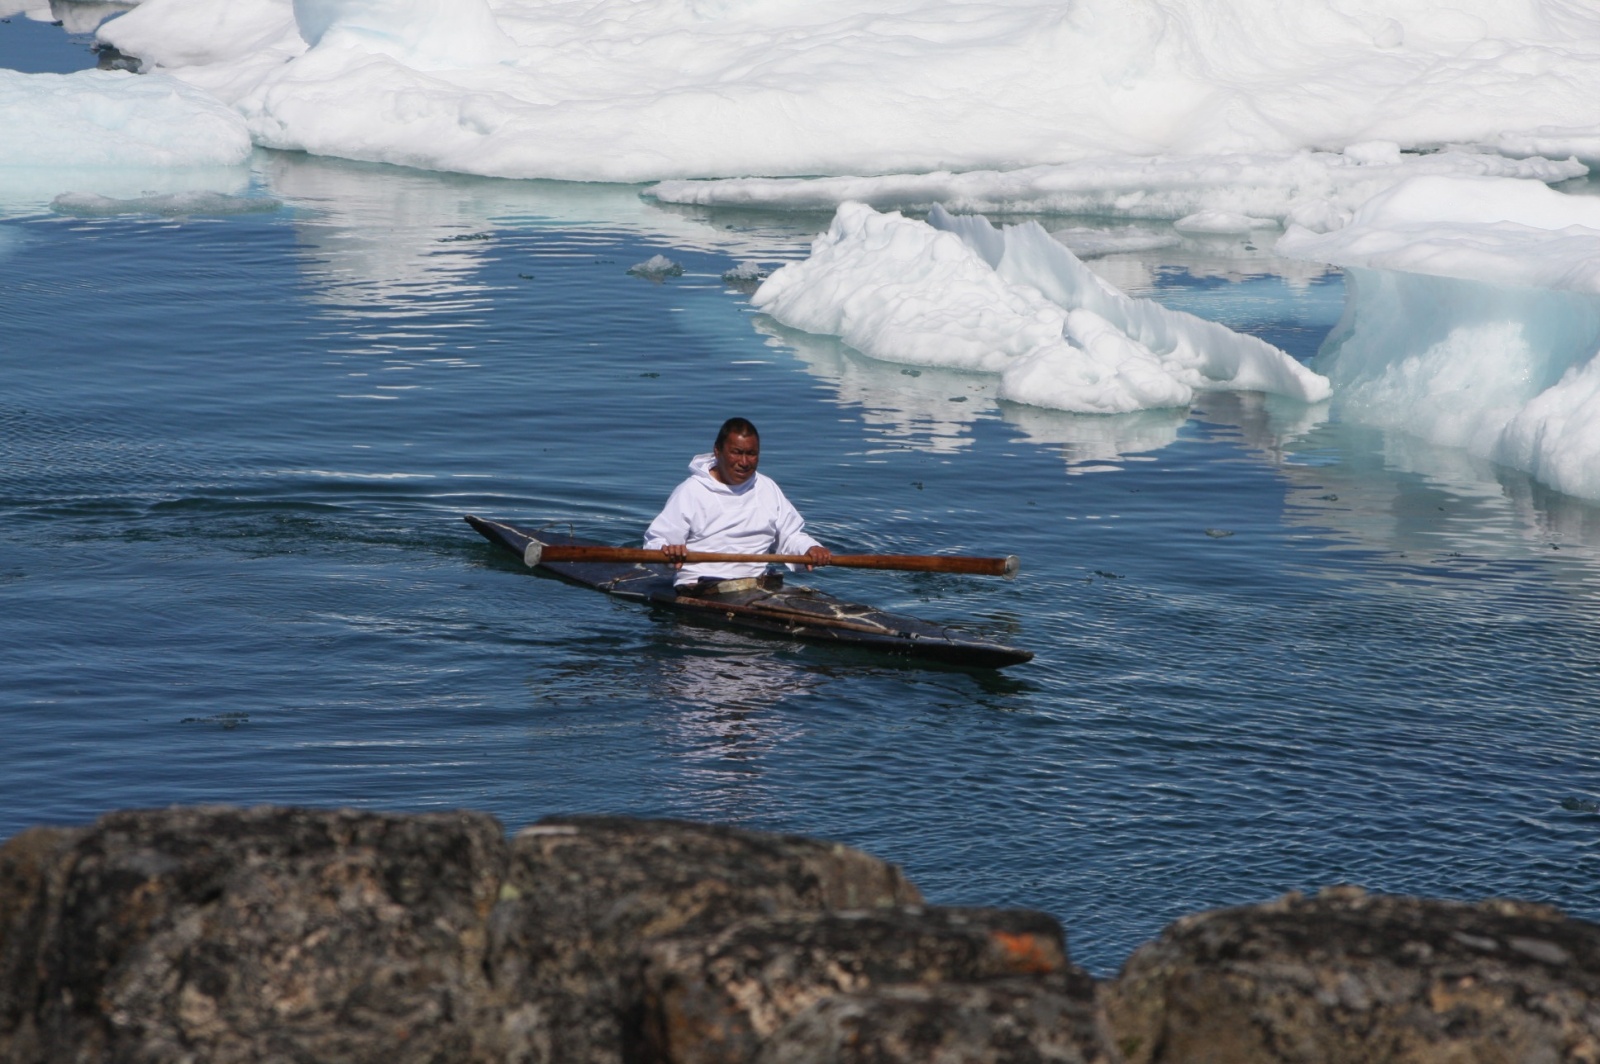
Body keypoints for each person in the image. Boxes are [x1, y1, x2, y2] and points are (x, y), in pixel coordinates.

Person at [644, 417, 831, 595]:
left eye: (751, 454)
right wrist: (668, 553)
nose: (744, 462)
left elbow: (790, 537)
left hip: (759, 586)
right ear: (717, 451)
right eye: (736, 452)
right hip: (701, 588)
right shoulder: (690, 492)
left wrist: (810, 549)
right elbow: (655, 545)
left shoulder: (767, 488)